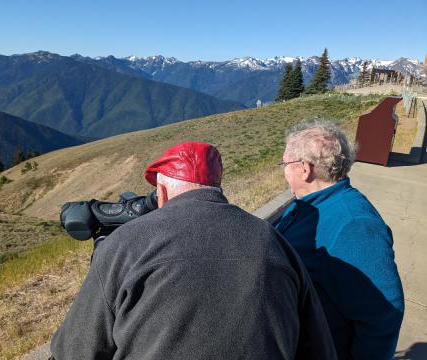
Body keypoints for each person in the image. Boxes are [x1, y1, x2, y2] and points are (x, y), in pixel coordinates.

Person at [50, 142, 337, 360]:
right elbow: (318, 348)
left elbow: (74, 350)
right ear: (217, 185)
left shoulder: (124, 245)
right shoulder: (275, 242)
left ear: (161, 192)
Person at [275, 120, 404, 360]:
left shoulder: (353, 224)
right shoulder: (310, 204)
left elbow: (384, 312)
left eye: (285, 163)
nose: (284, 170)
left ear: (305, 169)